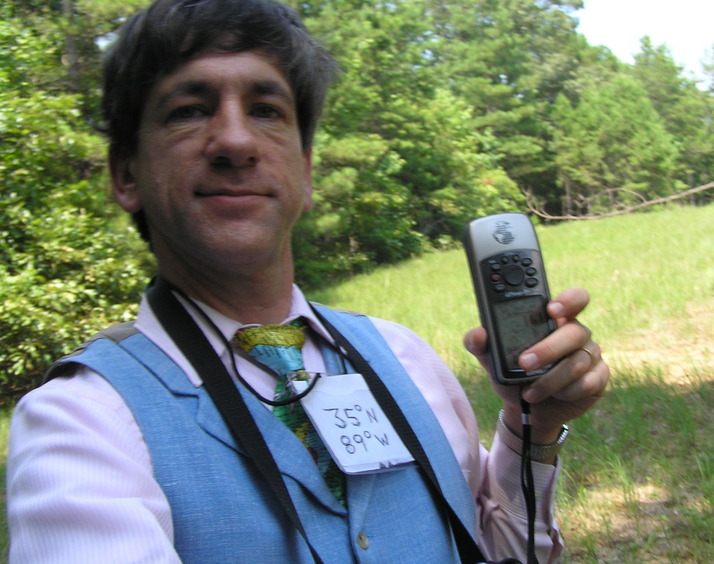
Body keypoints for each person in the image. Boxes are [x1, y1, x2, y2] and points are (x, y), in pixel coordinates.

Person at [5, 0, 610, 562]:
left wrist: (532, 425)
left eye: (267, 110)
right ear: (125, 174)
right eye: (188, 110)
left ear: (306, 170)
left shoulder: (405, 358)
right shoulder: (82, 424)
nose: (236, 141)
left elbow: (501, 550)